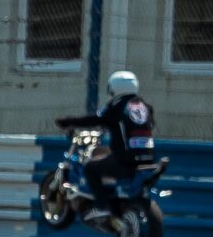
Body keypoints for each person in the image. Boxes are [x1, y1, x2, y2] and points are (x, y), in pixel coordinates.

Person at [56, 69, 159, 210]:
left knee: (90, 168)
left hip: (126, 161)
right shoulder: (145, 106)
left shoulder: (117, 105)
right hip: (149, 159)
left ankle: (102, 207)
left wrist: (68, 122)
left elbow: (95, 119)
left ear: (115, 87)